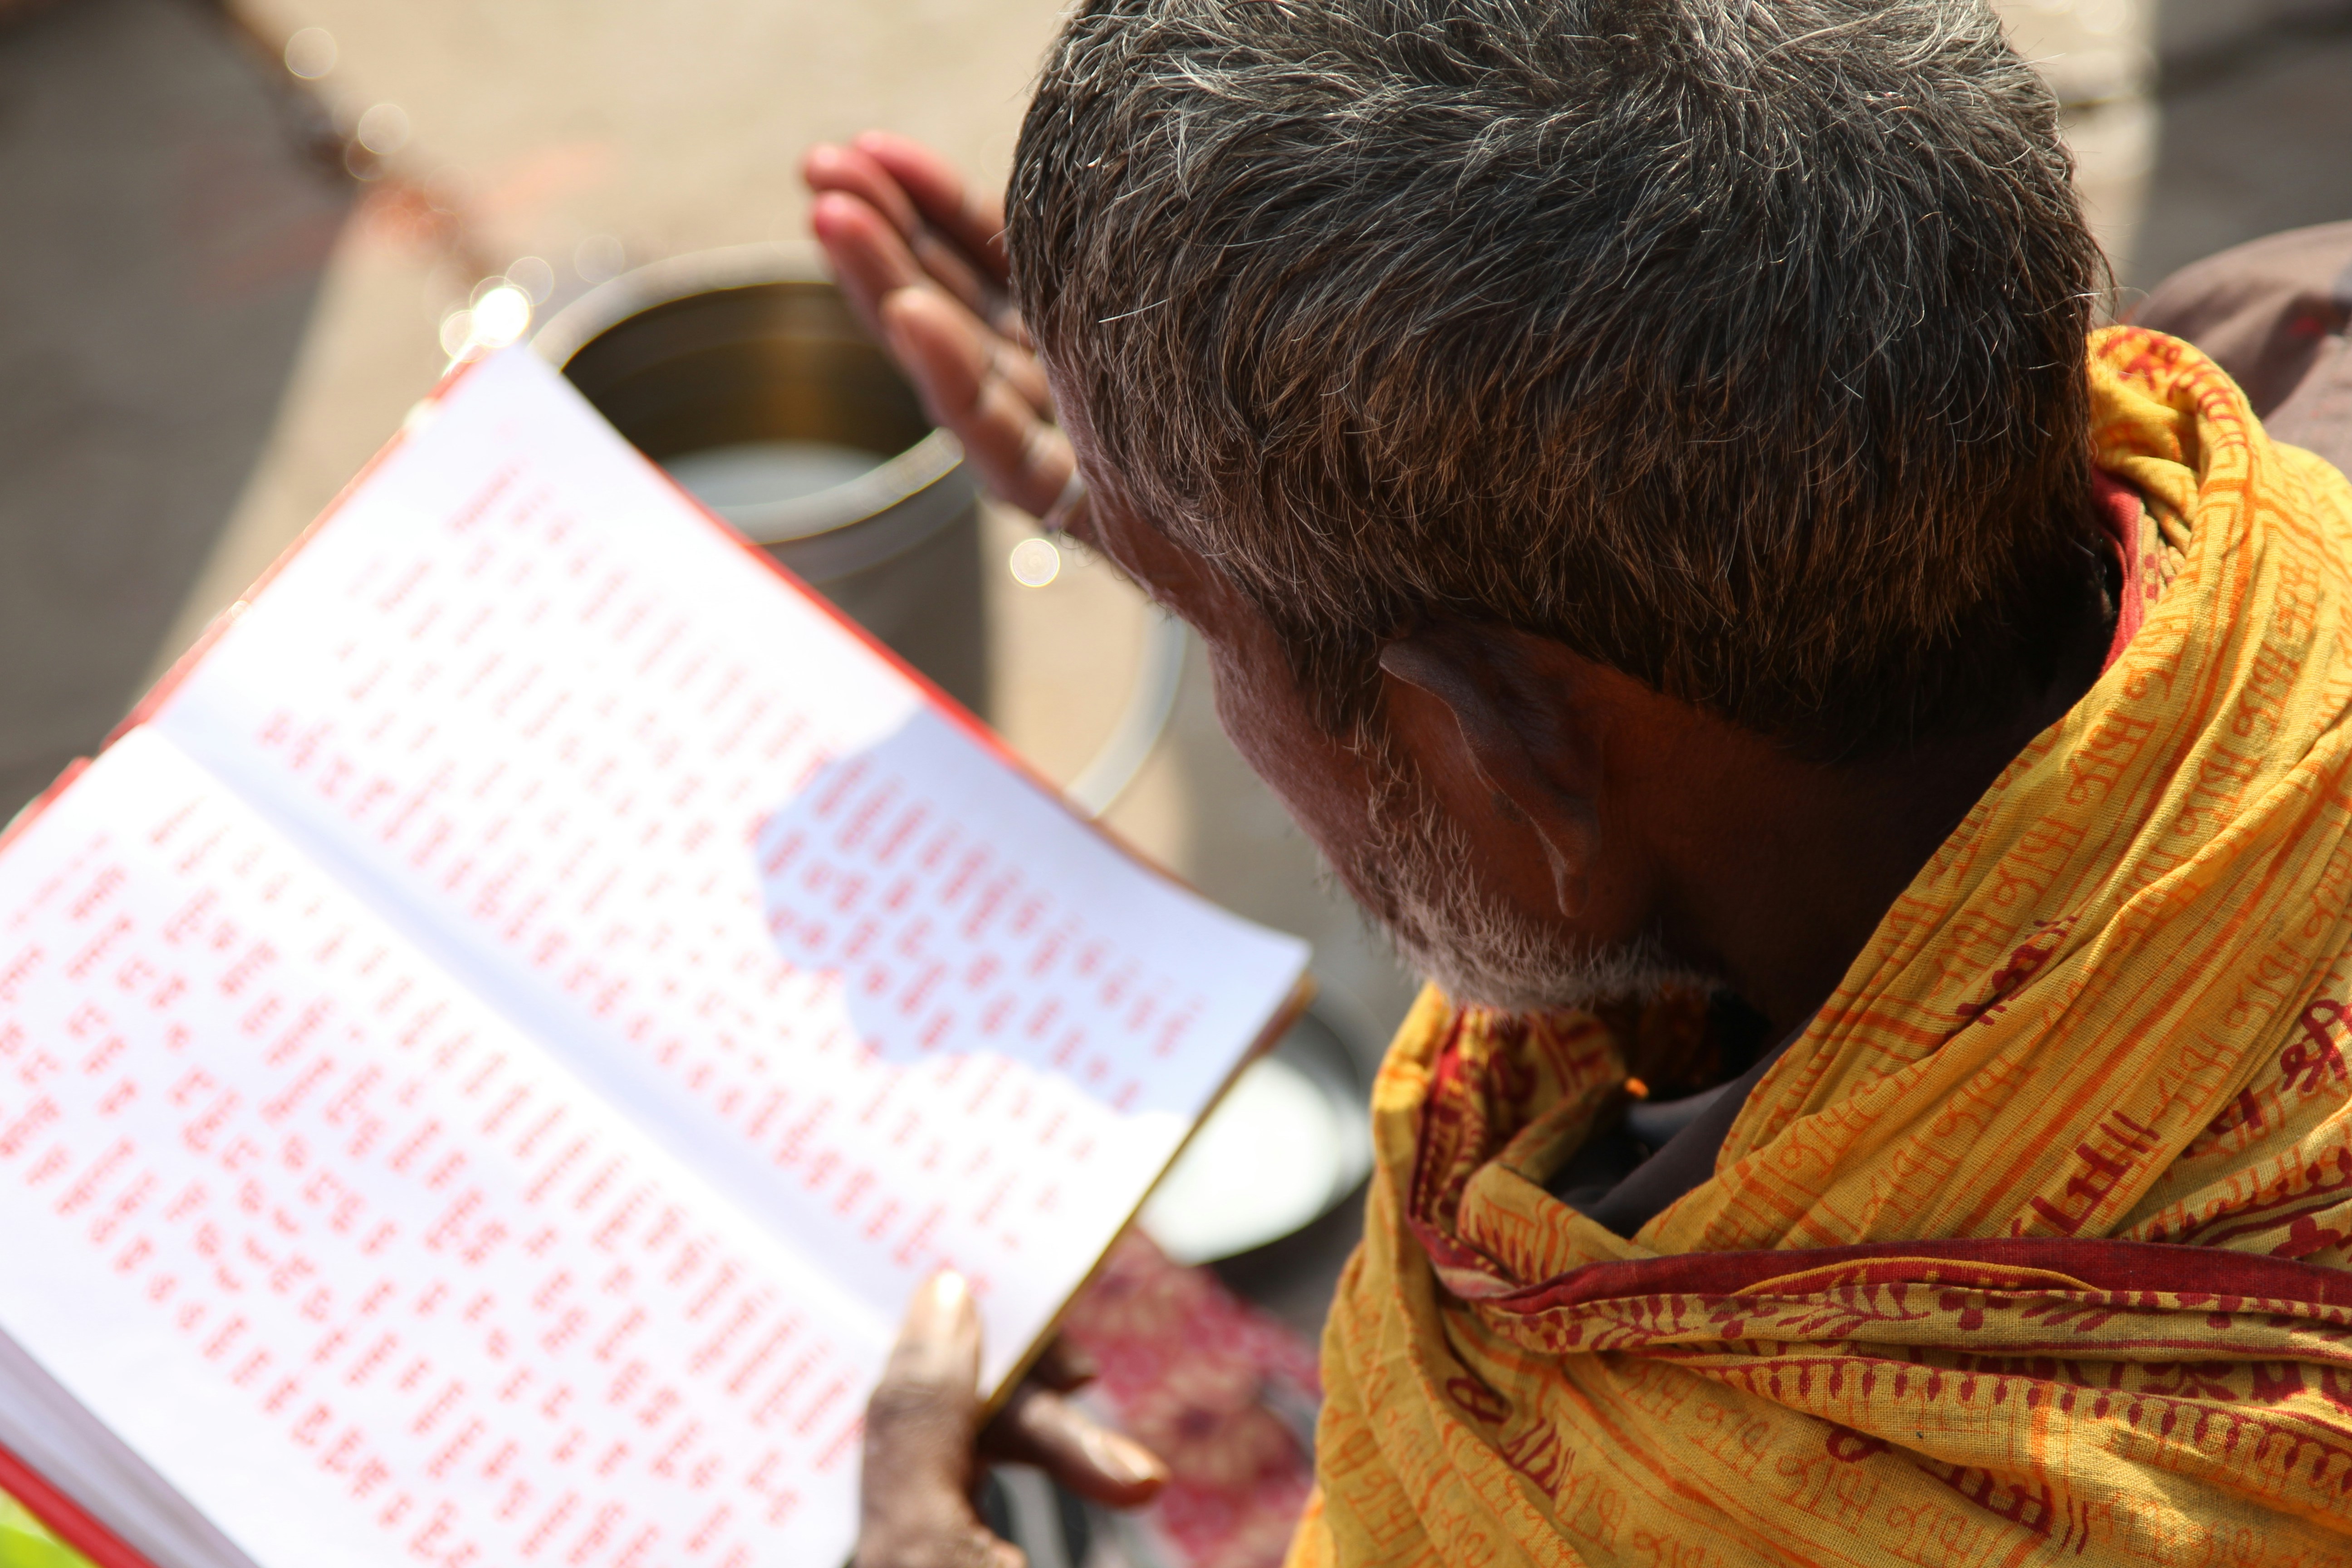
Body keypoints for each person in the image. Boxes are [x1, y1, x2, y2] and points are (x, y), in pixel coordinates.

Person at [805, 1, 2352, 1563]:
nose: (1222, 694)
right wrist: (1256, 548)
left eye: (1197, 632)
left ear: (1514, 754)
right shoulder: (2298, 355)